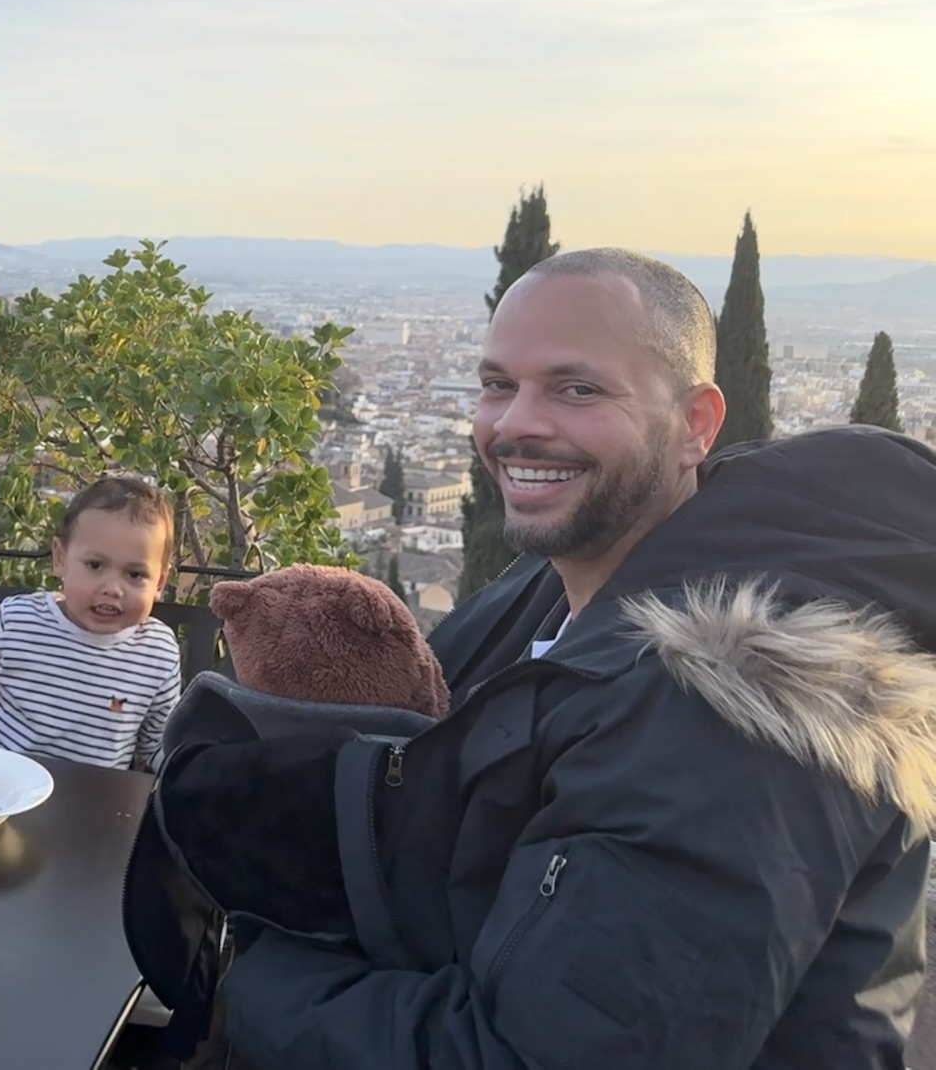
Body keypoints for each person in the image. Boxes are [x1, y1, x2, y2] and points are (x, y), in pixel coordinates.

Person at [220, 248, 936, 1069]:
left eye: (578, 389)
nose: (515, 423)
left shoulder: (731, 719)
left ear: (696, 425)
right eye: (498, 384)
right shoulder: (554, 592)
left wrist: (249, 977)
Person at [0, 476, 183, 770]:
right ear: (60, 559)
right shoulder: (17, 621)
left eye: (135, 574)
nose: (113, 588)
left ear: (159, 582)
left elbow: (157, 745)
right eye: (95, 565)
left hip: (90, 799)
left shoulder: (158, 654)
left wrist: (191, 771)